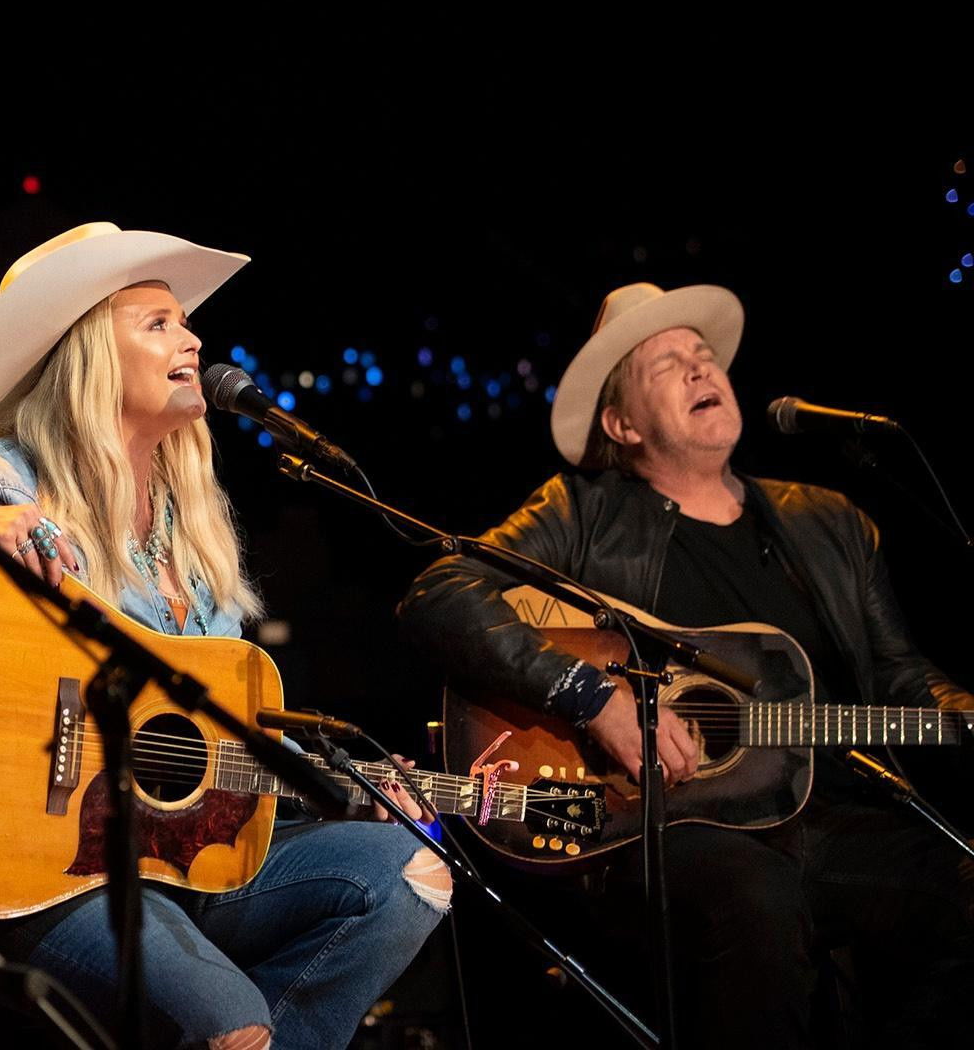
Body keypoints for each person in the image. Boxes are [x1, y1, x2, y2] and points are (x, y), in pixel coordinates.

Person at [0, 222, 452, 1049]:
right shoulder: (4, 478)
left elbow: (212, 754)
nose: (191, 337)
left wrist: (355, 788)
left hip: (173, 863)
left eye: (185, 322)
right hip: (32, 879)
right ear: (86, 356)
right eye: (156, 323)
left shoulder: (194, 527)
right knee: (234, 1027)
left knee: (414, 872)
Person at [397, 281, 974, 1048]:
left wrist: (959, 707)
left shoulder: (828, 520)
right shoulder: (582, 511)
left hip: (835, 824)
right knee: (757, 898)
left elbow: (902, 676)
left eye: (704, 355)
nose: (701, 369)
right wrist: (589, 696)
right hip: (662, 830)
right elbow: (440, 591)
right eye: (667, 363)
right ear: (622, 423)